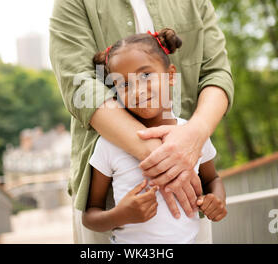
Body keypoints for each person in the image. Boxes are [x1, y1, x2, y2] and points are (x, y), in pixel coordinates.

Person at [49, 0, 234, 243]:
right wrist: (170, 162)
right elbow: (80, 83)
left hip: (188, 200)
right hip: (113, 202)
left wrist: (195, 136)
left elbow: (217, 74)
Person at [82, 28, 227, 244]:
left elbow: (212, 179)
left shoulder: (192, 135)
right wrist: (120, 215)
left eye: (146, 75)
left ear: (170, 75)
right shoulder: (109, 145)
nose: (137, 91)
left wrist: (217, 199)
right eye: (124, 84)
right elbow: (90, 215)